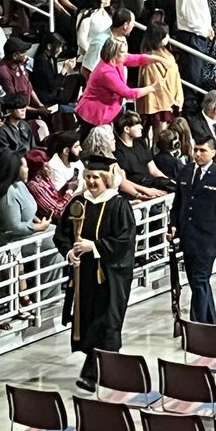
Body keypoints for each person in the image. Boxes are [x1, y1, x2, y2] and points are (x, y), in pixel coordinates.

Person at [52, 154, 136, 392]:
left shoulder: (119, 205)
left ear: (107, 178)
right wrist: (70, 252)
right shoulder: (79, 203)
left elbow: (125, 241)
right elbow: (61, 235)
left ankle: (92, 373)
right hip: (85, 275)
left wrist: (95, 247)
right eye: (88, 177)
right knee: (89, 321)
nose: (91, 182)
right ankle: (107, 368)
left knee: (107, 322)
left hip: (111, 275)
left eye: (96, 177)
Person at [170, 137, 216, 324]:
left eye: (202, 150)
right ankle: (210, 321)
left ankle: (196, 326)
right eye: (195, 150)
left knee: (199, 280)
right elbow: (178, 203)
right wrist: (173, 224)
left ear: (213, 153)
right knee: (197, 282)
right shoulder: (185, 172)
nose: (197, 154)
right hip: (188, 237)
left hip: (208, 239)